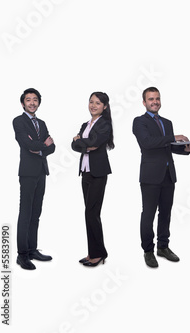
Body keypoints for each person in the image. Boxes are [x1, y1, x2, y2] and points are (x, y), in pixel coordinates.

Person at [133, 87, 190, 268]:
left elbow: (168, 147)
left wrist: (186, 149)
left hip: (168, 175)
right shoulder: (139, 122)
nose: (155, 102)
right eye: (151, 99)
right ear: (144, 102)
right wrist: (173, 137)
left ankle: (163, 246)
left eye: (157, 99)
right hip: (150, 176)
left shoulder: (167, 122)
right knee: (148, 214)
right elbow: (147, 143)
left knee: (166, 213)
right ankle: (148, 250)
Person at [13, 88, 55, 270]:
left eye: (35, 99)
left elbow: (52, 146)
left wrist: (40, 147)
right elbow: (26, 143)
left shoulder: (42, 123)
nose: (32, 102)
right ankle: (22, 255)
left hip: (41, 171)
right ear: (23, 103)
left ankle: (31, 249)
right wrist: (42, 146)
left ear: (39, 102)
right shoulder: (19, 121)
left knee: (36, 213)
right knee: (25, 213)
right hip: (28, 172)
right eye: (28, 100)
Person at [71, 92, 114, 267]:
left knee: (92, 213)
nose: (93, 105)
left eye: (98, 103)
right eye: (91, 102)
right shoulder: (85, 124)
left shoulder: (105, 123)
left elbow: (96, 141)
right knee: (90, 213)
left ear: (104, 106)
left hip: (98, 172)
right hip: (86, 171)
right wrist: (85, 143)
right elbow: (74, 145)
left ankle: (99, 254)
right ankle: (94, 252)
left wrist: (82, 141)